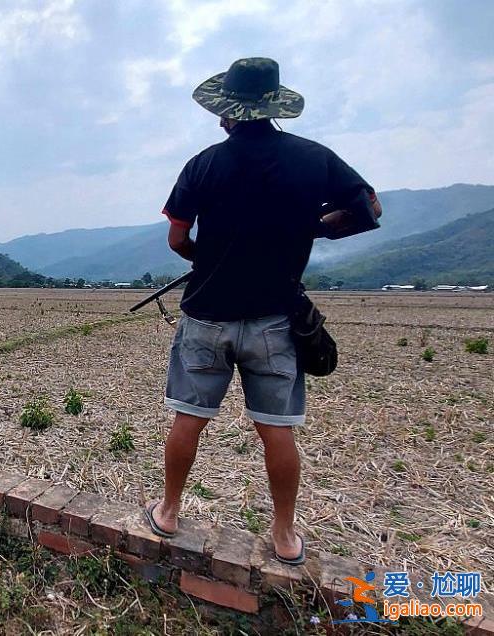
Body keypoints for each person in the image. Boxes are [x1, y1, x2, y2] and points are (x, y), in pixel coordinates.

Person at [143, 58, 382, 565]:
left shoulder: (203, 164)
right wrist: (312, 226)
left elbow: (178, 238)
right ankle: (283, 535)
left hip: (206, 315)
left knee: (188, 419)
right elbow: (369, 209)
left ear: (227, 113)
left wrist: (206, 256)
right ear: (275, 108)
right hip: (276, 319)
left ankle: (167, 512)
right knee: (277, 428)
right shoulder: (314, 160)